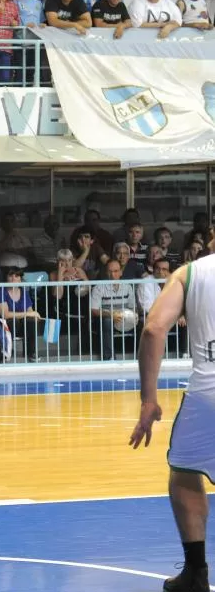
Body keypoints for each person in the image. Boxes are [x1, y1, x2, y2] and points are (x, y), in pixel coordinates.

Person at [131, 254, 215, 592]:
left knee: (184, 474)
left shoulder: (192, 273)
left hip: (209, 393)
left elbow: (153, 329)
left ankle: (196, 572)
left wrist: (148, 400)